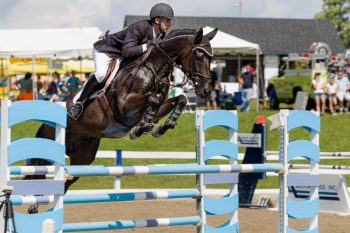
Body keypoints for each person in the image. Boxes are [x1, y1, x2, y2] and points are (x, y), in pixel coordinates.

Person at [68, 3, 174, 120]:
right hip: (107, 51)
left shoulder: (161, 35)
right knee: (101, 74)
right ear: (157, 20)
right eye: (167, 20)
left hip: (122, 56)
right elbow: (127, 51)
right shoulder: (140, 27)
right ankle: (78, 103)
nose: (170, 24)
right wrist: (146, 45)